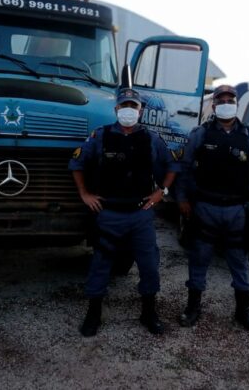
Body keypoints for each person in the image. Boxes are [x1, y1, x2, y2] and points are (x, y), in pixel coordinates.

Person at [70, 87, 177, 337]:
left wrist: (162, 190)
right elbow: (76, 163)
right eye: (124, 106)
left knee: (149, 265)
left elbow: (173, 165)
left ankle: (149, 312)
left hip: (140, 214)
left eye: (133, 106)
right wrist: (85, 194)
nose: (128, 110)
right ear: (116, 109)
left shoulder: (152, 139)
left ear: (141, 111)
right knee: (101, 265)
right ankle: (93, 313)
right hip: (108, 213)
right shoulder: (100, 136)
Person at [176, 84, 249, 331]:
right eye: (221, 99)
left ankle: (243, 311)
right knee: (198, 259)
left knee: (239, 262)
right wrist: (183, 199)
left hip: (238, 211)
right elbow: (184, 168)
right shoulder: (200, 133)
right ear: (215, 104)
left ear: (236, 104)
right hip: (204, 208)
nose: (226, 102)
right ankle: (193, 308)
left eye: (231, 99)